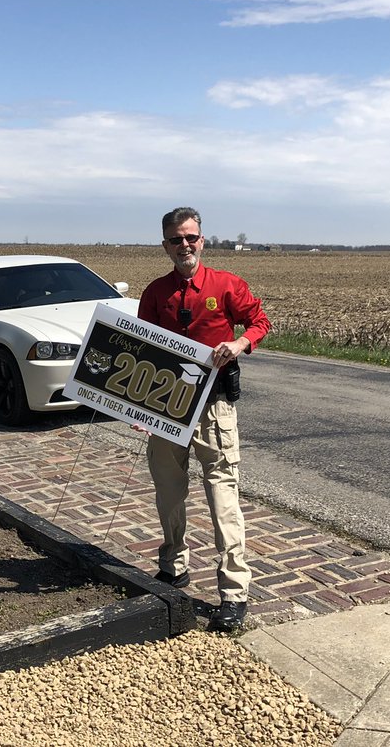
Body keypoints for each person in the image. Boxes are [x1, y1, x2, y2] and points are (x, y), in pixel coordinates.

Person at [137, 206, 271, 632]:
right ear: (165, 245)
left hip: (213, 407)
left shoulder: (226, 285)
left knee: (222, 497)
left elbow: (259, 321)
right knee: (169, 492)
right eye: (176, 239)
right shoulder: (155, 292)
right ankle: (173, 566)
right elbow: (143, 348)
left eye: (191, 237)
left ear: (202, 239)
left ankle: (233, 591)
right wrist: (141, 407)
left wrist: (239, 343)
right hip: (167, 407)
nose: (185, 245)